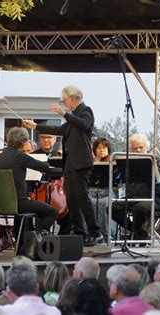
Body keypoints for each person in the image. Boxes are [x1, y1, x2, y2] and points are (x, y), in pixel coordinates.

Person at [23, 85, 102, 246]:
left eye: (65, 100)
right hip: (71, 165)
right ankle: (81, 231)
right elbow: (58, 129)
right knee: (72, 200)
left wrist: (64, 114)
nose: (65, 104)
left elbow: (85, 125)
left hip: (81, 164)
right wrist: (36, 126)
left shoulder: (86, 111)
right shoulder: (72, 118)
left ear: (73, 98)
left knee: (82, 197)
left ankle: (96, 232)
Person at [0, 127, 58, 233]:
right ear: (23, 141)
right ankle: (31, 236)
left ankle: (22, 241)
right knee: (53, 212)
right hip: (20, 203)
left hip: (2, 203)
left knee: (38, 210)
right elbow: (43, 167)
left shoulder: (0, 157)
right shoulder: (19, 156)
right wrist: (48, 163)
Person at [111, 133, 160, 240]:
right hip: (132, 197)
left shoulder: (156, 160)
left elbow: (158, 181)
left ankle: (137, 235)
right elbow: (118, 181)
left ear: (147, 147)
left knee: (140, 208)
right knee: (113, 208)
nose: (138, 150)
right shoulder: (128, 161)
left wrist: (150, 166)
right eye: (135, 148)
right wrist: (116, 167)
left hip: (152, 198)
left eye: (141, 147)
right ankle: (139, 232)